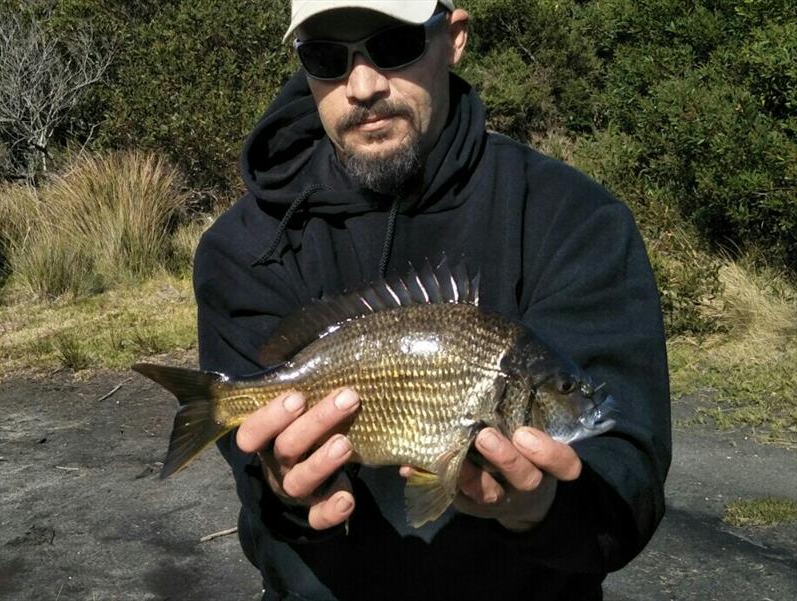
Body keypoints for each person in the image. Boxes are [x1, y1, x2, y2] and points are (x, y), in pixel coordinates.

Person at [193, 1, 671, 599]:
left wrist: (542, 506)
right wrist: (285, 488)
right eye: (326, 57)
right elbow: (260, 489)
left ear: (453, 38)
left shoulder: (574, 219)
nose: (363, 85)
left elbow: (626, 473)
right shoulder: (245, 246)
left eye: (393, 46)